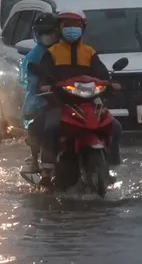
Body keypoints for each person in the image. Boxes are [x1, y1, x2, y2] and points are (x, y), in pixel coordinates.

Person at [35, 10, 119, 166]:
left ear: (83, 28)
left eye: (76, 25)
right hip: (61, 102)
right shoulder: (52, 52)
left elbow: (102, 74)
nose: (71, 29)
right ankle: (47, 165)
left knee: (115, 126)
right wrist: (44, 85)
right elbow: (44, 74)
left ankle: (112, 163)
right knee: (50, 127)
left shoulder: (89, 52)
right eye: (67, 25)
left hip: (89, 102)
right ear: (59, 28)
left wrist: (110, 84)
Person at [19, 12, 61, 174]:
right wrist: (40, 87)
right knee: (36, 125)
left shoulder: (69, 50)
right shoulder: (34, 55)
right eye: (42, 33)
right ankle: (35, 158)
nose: (46, 37)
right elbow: (25, 78)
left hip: (67, 96)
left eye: (49, 32)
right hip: (43, 100)